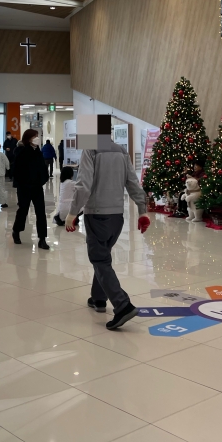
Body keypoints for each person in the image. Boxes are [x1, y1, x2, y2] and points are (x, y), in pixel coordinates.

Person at [66, 138, 150, 330]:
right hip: (116, 216)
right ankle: (98, 298)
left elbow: (84, 185)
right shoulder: (121, 150)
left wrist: (72, 212)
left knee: (100, 259)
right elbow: (133, 182)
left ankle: (122, 304)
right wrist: (142, 210)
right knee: (103, 255)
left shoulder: (91, 150)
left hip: (97, 215)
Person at [11, 129, 49, 249]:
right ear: (28, 138)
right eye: (34, 136)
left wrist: (43, 179)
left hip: (37, 187)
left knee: (41, 212)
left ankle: (42, 238)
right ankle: (16, 231)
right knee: (23, 210)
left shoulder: (38, 151)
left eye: (37, 136)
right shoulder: (21, 151)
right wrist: (22, 183)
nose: (37, 138)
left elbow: (42, 167)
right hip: (24, 187)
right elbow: (16, 170)